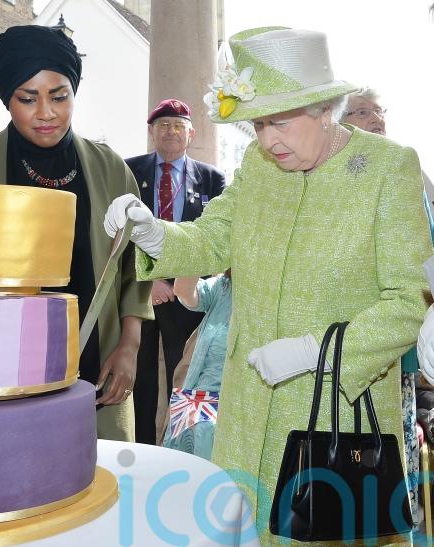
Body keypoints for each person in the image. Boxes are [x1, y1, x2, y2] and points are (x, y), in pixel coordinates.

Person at [105, 26, 431, 543]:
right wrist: (154, 234)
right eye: (258, 124)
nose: (267, 140)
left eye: (279, 122)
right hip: (248, 413)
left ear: (325, 109)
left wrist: (316, 353)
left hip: (336, 421)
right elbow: (213, 237)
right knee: (244, 528)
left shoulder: (388, 169)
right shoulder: (258, 166)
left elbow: (410, 298)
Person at [0, 25, 153, 442]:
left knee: (100, 476)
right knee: (11, 470)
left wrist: (129, 346)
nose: (46, 112)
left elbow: (134, 268)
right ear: (7, 99)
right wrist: (1, 264)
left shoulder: (110, 169)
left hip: (96, 370)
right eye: (27, 98)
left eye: (59, 96)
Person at [343, 85, 434, 527]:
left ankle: (395, 525)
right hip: (347, 333)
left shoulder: (406, 168)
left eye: (379, 111)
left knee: (394, 443)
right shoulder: (332, 175)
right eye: (362, 111)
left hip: (400, 336)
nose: (375, 119)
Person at [125, 99, 225, 445]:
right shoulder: (129, 171)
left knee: (187, 372)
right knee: (139, 376)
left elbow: (214, 237)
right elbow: (120, 231)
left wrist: (178, 280)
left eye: (178, 126)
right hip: (140, 289)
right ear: (152, 132)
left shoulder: (212, 178)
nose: (171, 131)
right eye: (163, 125)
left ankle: (184, 446)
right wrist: (150, 279)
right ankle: (140, 448)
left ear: (191, 134)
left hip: (188, 293)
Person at [162, 273, 231, 460]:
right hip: (202, 400)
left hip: (243, 403)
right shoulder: (223, 287)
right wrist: (199, 257)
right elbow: (183, 291)